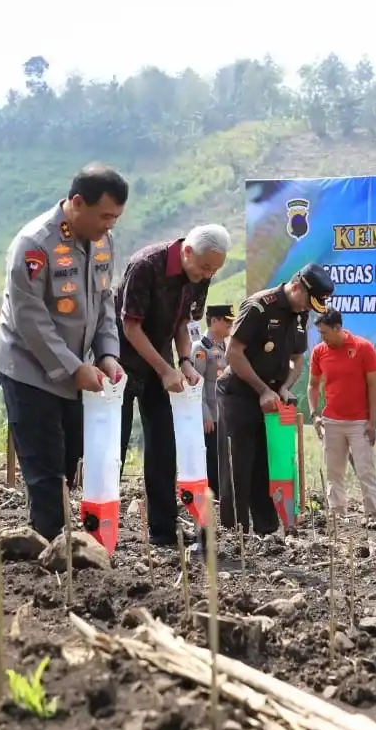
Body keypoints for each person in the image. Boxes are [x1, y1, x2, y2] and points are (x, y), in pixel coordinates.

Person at [0, 163, 127, 541]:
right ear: (77, 203)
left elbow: (104, 302)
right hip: (30, 370)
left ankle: (62, 544)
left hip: (75, 372)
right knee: (45, 468)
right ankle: (51, 556)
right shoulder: (34, 245)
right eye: (104, 216)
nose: (109, 225)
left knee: (70, 461)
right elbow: (30, 319)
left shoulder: (103, 243)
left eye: (115, 217)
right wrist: (72, 367)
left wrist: (108, 354)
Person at [114, 225, 230, 546]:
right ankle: (102, 531)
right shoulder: (146, 266)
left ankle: (162, 530)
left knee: (164, 444)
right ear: (187, 252)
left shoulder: (200, 276)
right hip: (120, 361)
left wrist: (186, 361)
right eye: (206, 267)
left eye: (214, 270)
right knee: (115, 449)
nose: (208, 274)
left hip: (160, 362)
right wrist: (165, 368)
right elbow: (130, 326)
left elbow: (184, 322)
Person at [217, 264, 333, 538]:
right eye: (308, 301)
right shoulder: (259, 306)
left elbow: (297, 359)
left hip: (271, 399)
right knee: (239, 464)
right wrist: (262, 390)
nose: (308, 309)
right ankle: (236, 533)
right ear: (297, 287)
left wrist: (283, 387)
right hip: (241, 394)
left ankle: (266, 531)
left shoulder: (301, 315)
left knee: (266, 464)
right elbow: (233, 352)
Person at [307, 307, 376, 518]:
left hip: (360, 422)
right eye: (320, 333)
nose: (322, 338)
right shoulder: (319, 352)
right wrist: (315, 415)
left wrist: (372, 422)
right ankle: (337, 515)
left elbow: (373, 387)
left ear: (338, 327)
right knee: (334, 472)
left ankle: (375, 515)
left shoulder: (363, 348)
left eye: (325, 333)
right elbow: (313, 386)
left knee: (365, 470)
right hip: (331, 422)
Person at [190, 303, 234, 497]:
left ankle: (223, 494)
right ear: (214, 321)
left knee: (225, 458)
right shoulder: (200, 348)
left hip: (226, 413)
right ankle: (212, 497)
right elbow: (194, 383)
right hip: (211, 415)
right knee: (212, 459)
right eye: (226, 322)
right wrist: (204, 413)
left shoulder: (227, 347)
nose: (229, 326)